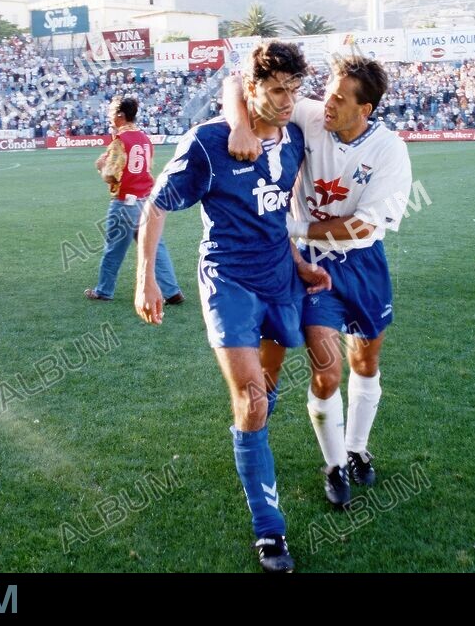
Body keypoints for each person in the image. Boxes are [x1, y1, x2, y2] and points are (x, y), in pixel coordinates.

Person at [134, 42, 330, 574]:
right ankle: (270, 531)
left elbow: (272, 218)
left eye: (294, 89)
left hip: (280, 280)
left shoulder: (291, 141)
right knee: (252, 400)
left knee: (265, 392)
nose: (288, 101)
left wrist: (300, 263)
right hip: (228, 282)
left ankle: (253, 442)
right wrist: (146, 278)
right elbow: (155, 206)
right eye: (276, 91)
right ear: (251, 91)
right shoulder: (208, 143)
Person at [226, 55, 413, 510]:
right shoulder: (311, 116)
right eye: (327, 93)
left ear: (364, 110)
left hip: (364, 264)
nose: (325, 105)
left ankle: (357, 448)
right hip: (313, 269)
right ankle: (333, 464)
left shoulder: (389, 150)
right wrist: (240, 127)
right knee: (327, 373)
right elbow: (236, 79)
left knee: (365, 364)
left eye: (339, 99)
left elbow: (364, 227)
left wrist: (292, 228)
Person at [84, 96, 184, 305]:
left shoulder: (120, 141)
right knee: (156, 246)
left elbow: (111, 174)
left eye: (112, 112)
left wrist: (100, 165)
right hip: (146, 201)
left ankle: (104, 290)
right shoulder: (145, 139)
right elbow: (146, 169)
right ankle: (172, 290)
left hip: (125, 203)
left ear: (120, 115)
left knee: (114, 249)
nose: (109, 116)